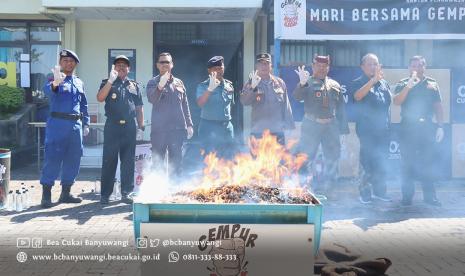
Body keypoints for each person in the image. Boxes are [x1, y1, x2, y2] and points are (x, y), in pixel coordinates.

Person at [40, 49, 89, 208]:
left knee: (73, 158)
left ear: (75, 64)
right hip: (57, 125)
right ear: (60, 63)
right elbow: (48, 90)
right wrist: (55, 83)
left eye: (71, 61)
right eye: (65, 61)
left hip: (75, 126)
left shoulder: (79, 81)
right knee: (53, 158)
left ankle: (66, 193)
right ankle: (46, 194)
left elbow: (83, 105)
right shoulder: (54, 79)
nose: (69, 63)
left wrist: (86, 123)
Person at [393, 56, 444, 207]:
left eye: (419, 65)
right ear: (409, 68)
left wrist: (440, 126)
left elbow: (438, 107)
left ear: (424, 67)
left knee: (428, 163)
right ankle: (407, 197)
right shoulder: (403, 83)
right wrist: (408, 86)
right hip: (408, 128)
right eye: (413, 65)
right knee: (407, 163)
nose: (416, 68)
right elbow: (396, 102)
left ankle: (430, 197)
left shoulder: (432, 83)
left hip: (427, 128)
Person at [293, 55, 349, 191]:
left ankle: (330, 189)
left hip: (331, 126)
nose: (322, 69)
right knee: (305, 157)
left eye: (325, 66)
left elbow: (341, 108)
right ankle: (303, 190)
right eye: (318, 66)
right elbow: (297, 96)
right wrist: (301, 84)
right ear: (313, 67)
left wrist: (343, 131)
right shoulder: (307, 82)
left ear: (328, 68)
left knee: (332, 158)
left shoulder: (335, 85)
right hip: (311, 125)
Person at [97, 55, 144, 204]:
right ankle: (105, 194)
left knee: (128, 162)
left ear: (129, 69)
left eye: (125, 65)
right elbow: (100, 97)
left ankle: (127, 193)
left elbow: (139, 107)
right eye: (118, 65)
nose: (122, 67)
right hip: (113, 126)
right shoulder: (107, 82)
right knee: (109, 161)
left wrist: (141, 126)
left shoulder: (134, 85)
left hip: (129, 127)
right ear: (114, 68)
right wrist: (110, 81)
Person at [351, 53, 392, 204]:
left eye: (376, 64)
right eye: (370, 64)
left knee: (381, 162)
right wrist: (372, 81)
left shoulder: (384, 83)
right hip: (367, 131)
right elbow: (357, 96)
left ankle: (380, 192)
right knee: (366, 162)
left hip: (384, 131)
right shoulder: (358, 82)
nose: (373, 67)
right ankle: (364, 193)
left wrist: (378, 81)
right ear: (362, 67)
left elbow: (388, 105)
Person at [146, 52, 193, 177]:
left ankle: (174, 192)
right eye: (162, 62)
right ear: (157, 65)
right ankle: (158, 192)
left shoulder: (179, 83)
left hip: (177, 130)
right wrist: (160, 86)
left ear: (172, 65)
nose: (164, 64)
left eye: (167, 62)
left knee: (176, 164)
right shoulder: (152, 82)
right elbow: (152, 99)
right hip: (159, 131)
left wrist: (189, 124)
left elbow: (185, 105)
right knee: (158, 164)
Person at [240, 53, 294, 145]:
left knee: (279, 159)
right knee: (257, 159)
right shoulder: (250, 83)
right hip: (258, 131)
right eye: (261, 63)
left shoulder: (280, 83)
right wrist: (253, 87)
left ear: (271, 66)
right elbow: (244, 102)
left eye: (266, 63)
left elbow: (286, 106)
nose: (264, 66)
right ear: (256, 66)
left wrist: (289, 126)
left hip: (277, 131)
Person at [196, 56, 235, 158]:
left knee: (228, 157)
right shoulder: (203, 86)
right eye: (215, 69)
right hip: (209, 126)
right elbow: (200, 103)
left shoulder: (229, 85)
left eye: (220, 67)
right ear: (209, 71)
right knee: (209, 158)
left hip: (226, 127)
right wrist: (210, 89)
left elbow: (231, 107)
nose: (218, 71)